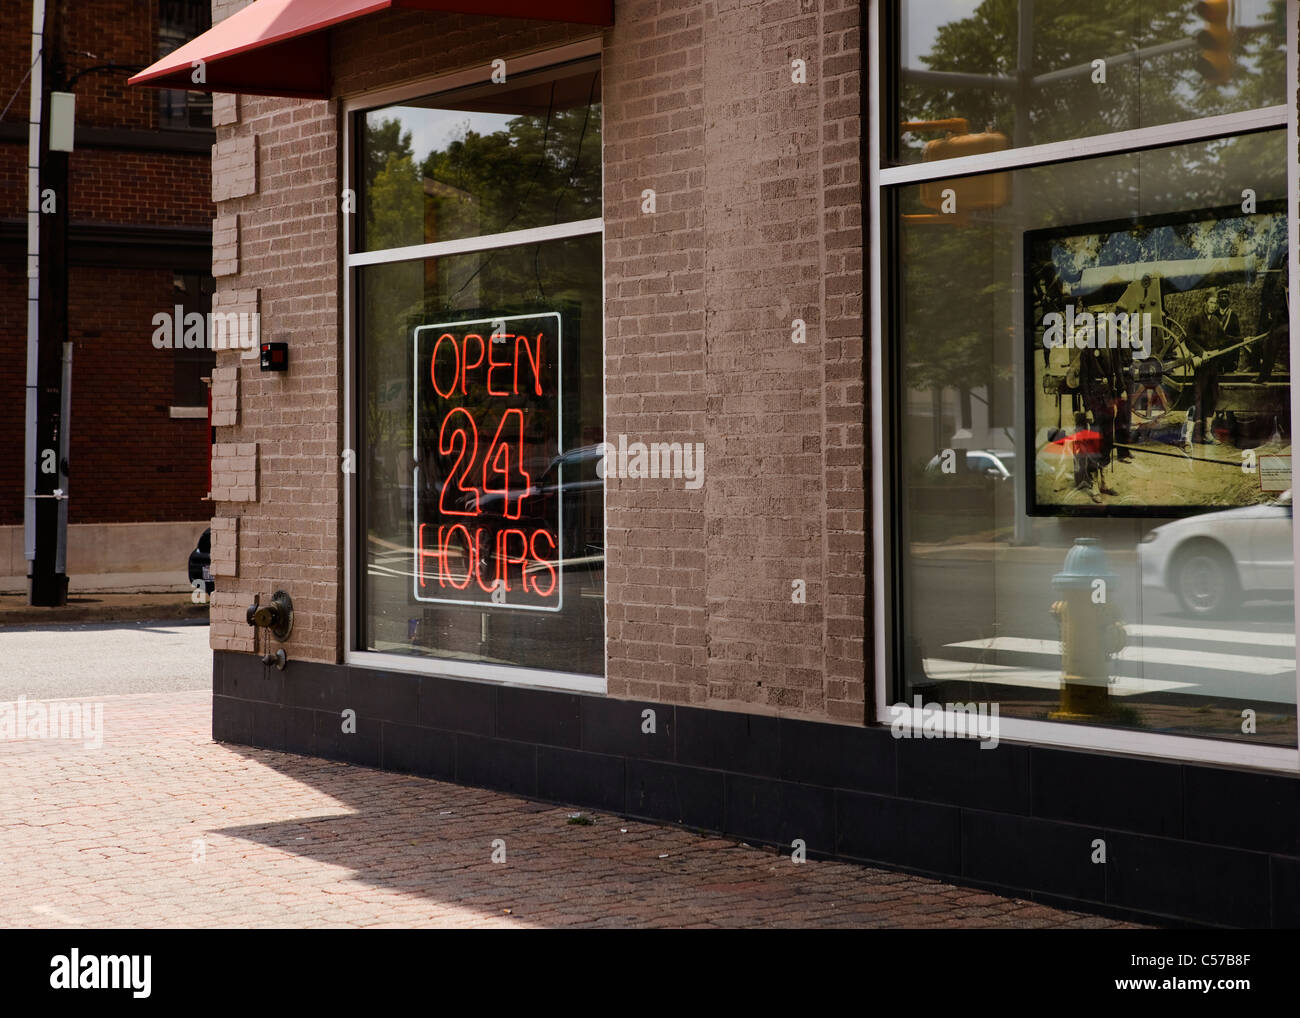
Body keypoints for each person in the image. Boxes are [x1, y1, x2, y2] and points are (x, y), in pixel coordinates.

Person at [1183, 290, 1230, 444]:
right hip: (1201, 367)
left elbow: (1224, 339)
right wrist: (1201, 352)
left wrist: (1242, 338)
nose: (1213, 305)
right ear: (1205, 303)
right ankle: (1188, 435)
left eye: (1215, 303)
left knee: (1212, 397)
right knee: (1197, 398)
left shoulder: (1216, 321)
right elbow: (1189, 340)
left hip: (1213, 366)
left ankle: (1207, 433)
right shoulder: (1196, 320)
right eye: (1210, 302)